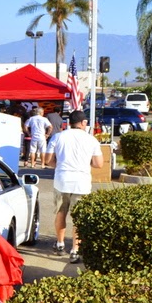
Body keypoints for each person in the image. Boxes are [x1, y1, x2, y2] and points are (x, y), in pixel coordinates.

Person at [43, 109, 102, 264]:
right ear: (83, 123)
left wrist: (60, 165)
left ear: (68, 123)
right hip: (81, 182)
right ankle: (75, 250)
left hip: (62, 180)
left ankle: (60, 243)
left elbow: (48, 160)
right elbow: (98, 164)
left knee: (60, 213)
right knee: (78, 218)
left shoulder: (57, 137)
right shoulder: (92, 140)